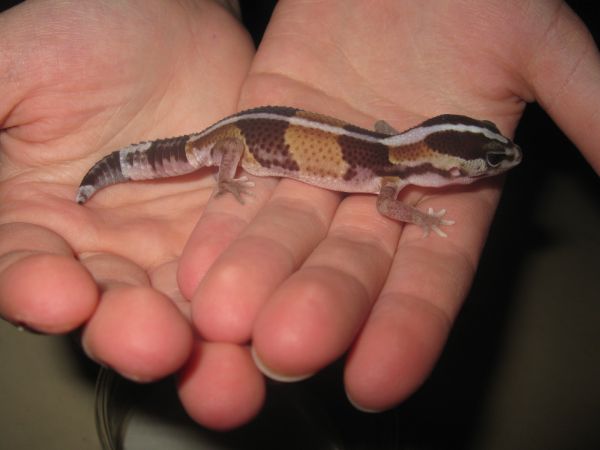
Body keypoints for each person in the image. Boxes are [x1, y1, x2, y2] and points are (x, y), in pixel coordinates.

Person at [0, 0, 598, 431]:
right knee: (189, 162)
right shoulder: (392, 175)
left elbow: (387, 143)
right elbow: (388, 205)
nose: (500, 163)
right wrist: (421, 221)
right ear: (446, 164)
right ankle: (112, 174)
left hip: (251, 128)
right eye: (488, 161)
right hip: (228, 142)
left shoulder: (393, 150)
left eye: (491, 157)